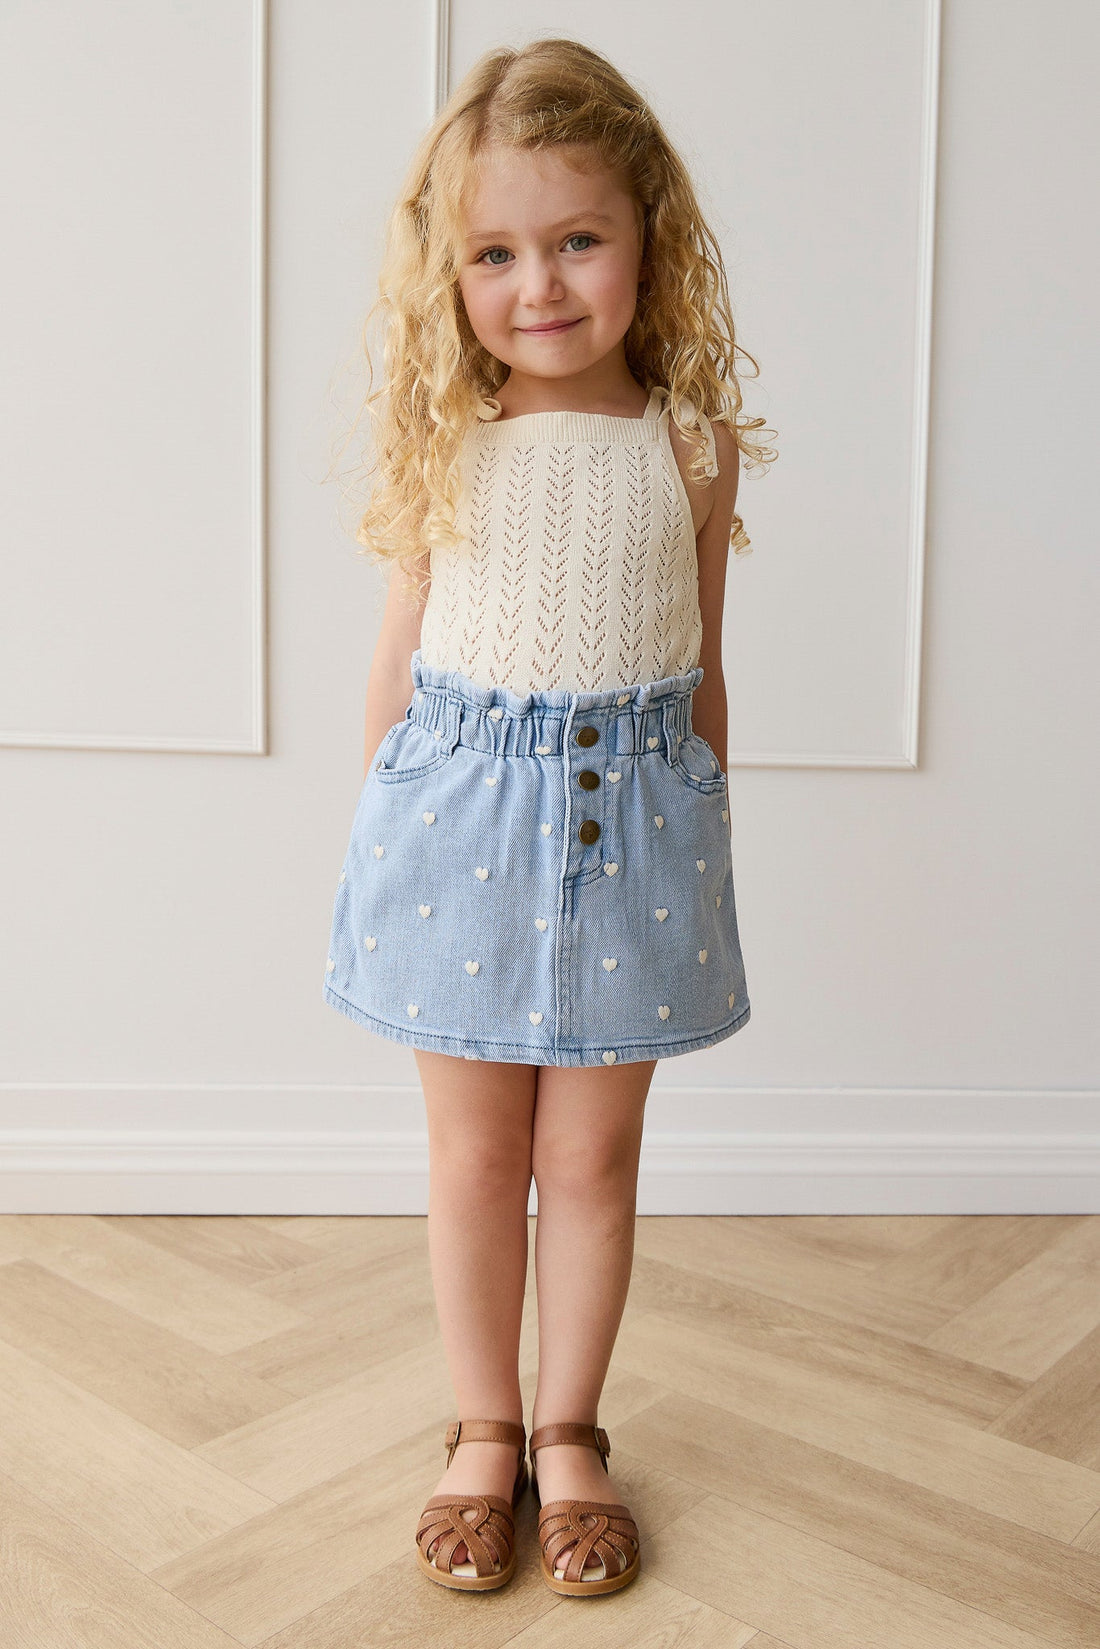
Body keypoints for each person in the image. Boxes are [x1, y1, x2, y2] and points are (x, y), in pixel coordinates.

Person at [321, 36, 776, 1599]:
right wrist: (377, 834)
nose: (541, 286)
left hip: (633, 827)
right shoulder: (447, 442)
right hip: (455, 825)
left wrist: (704, 834)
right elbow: (397, 661)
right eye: (496, 255)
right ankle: (484, 1427)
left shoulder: (691, 447)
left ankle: (572, 1428)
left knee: (591, 1156)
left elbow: (704, 664)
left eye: (578, 239)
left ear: (649, 233)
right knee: (474, 1153)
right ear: (449, 276)